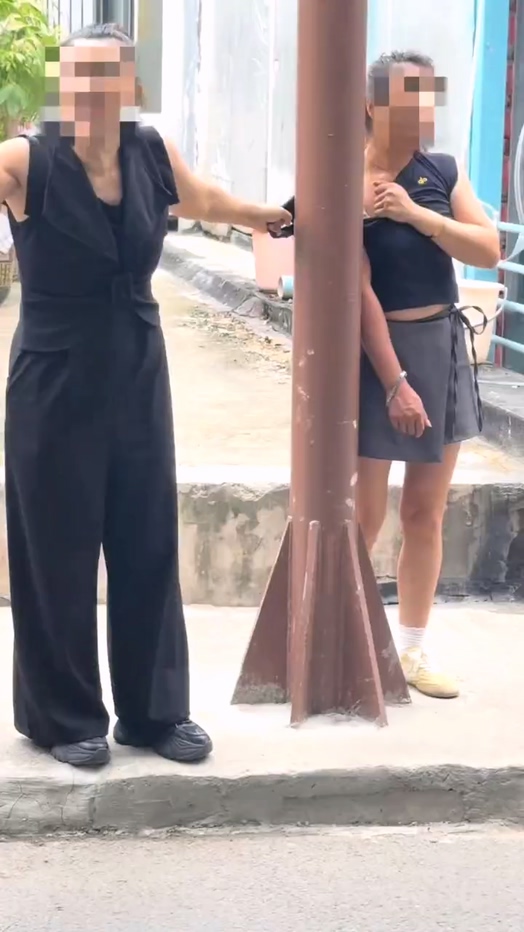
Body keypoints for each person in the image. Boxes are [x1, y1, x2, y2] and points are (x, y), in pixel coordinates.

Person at [0, 23, 291, 768]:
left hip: (136, 369)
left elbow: (205, 200)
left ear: (131, 89)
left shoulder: (151, 151)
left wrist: (271, 216)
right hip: (53, 379)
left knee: (147, 538)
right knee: (56, 549)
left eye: (107, 78)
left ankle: (154, 713)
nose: (90, 93)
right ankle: (64, 718)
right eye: (76, 77)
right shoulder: (26, 160)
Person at [358, 51, 500, 698]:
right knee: (361, 516)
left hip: (441, 345)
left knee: (425, 511)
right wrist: (393, 381)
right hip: (376, 353)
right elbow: (356, 289)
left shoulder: (440, 170)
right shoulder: (347, 177)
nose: (420, 108)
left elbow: (487, 248)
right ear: (371, 105)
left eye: (426, 94)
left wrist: (418, 216)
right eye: (405, 95)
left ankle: (412, 651)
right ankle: (344, 640)